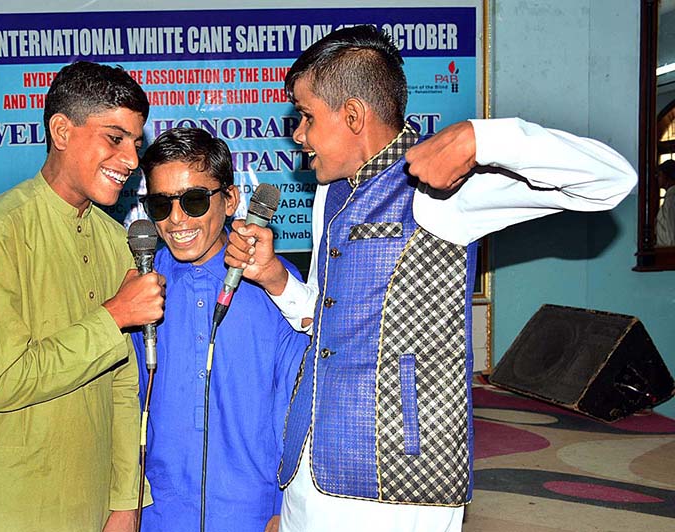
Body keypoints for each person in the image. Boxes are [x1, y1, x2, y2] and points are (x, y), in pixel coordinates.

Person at [225, 25, 637, 532]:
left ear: (352, 115)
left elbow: (613, 181)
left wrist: (482, 138)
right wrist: (273, 279)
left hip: (400, 478)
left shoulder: (442, 182)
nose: (298, 136)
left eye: (307, 117)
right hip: (310, 462)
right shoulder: (327, 194)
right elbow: (330, 319)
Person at [0, 61, 166, 532]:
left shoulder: (114, 240)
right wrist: (113, 315)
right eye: (115, 138)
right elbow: (5, 382)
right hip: (8, 508)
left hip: (92, 508)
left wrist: (125, 502)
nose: (130, 160)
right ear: (61, 130)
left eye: (136, 144)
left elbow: (123, 387)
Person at [131, 127, 308, 532]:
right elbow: (127, 408)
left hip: (255, 512)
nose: (176, 220)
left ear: (230, 200)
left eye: (193, 201)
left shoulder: (278, 288)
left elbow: (297, 410)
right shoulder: (140, 288)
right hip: (160, 512)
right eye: (160, 205)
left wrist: (288, 509)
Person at [656, 159, 675, 247]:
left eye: (660, 175)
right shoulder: (670, 196)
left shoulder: (672, 198)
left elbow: (671, 228)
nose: (658, 178)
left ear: (667, 176)